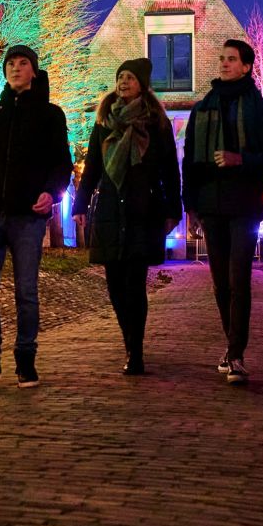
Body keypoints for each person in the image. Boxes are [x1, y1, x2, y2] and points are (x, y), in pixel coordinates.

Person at [0, 45, 73, 390]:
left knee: (26, 290)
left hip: (27, 218)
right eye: (11, 64)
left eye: (23, 63)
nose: (16, 68)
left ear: (34, 71)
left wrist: (51, 192)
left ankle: (26, 358)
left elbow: (61, 163)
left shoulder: (51, 115)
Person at [73, 58, 182, 376]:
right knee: (114, 285)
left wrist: (172, 209)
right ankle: (128, 340)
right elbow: (92, 166)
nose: (123, 82)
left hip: (142, 210)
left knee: (135, 284)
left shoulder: (155, 124)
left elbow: (169, 171)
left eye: (130, 77)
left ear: (142, 84)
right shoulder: (104, 121)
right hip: (109, 209)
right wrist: (80, 205)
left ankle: (135, 351)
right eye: (120, 76)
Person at [183, 38, 263, 385]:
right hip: (210, 205)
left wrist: (242, 160)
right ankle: (231, 344)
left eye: (231, 59)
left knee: (240, 279)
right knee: (220, 282)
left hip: (245, 203)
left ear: (246, 66)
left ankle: (236, 353)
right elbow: (190, 159)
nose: (224, 64)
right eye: (221, 58)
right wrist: (189, 205)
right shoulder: (201, 109)